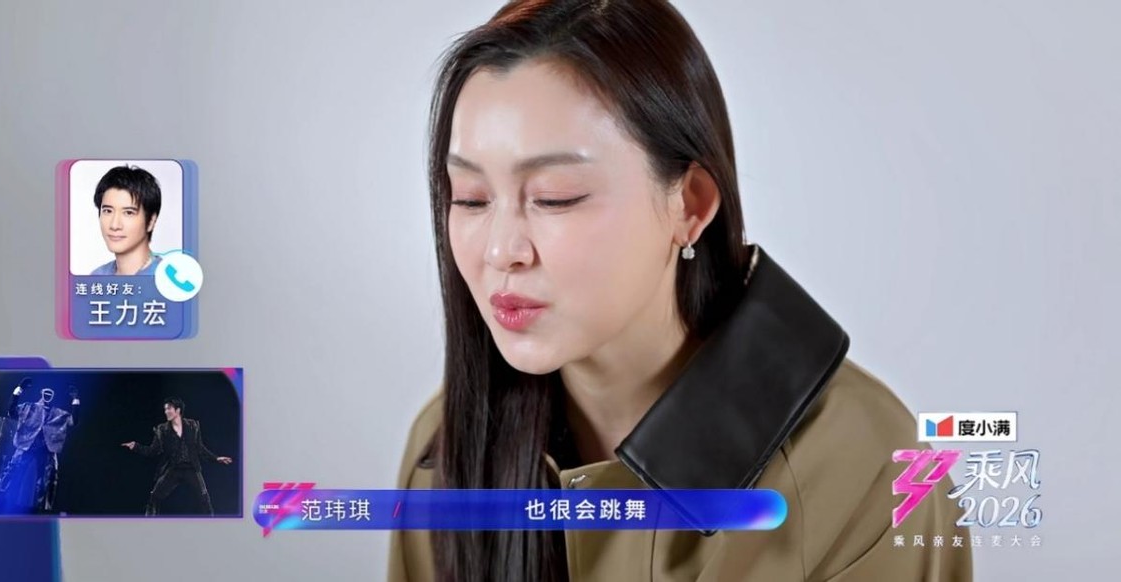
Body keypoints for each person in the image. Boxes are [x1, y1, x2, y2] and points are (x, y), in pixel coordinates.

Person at [388, 1, 972, 581]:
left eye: (554, 197)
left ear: (690, 205)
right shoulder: (447, 452)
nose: (500, 251)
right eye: (470, 198)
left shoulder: (867, 473)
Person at [121, 397, 233, 516]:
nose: (166, 412)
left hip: (191, 468)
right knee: (154, 497)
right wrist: (136, 446)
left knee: (204, 499)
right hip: (173, 468)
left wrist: (216, 458)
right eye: (165, 409)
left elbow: (200, 448)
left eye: (169, 409)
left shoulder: (193, 426)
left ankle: (211, 522)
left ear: (178, 410)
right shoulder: (162, 429)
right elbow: (153, 451)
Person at [0, 379, 79, 514]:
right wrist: (19, 390)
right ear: (41, 393)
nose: (48, 395)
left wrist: (75, 400)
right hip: (26, 445)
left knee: (49, 479)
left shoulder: (59, 413)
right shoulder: (29, 407)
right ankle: (1, 501)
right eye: (46, 392)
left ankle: (45, 510)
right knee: (12, 471)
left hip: (47, 449)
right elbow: (11, 412)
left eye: (50, 393)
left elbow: (73, 421)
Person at [90, 165, 162, 276]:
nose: (114, 225)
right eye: (108, 211)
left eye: (128, 213)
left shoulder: (166, 280)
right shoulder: (97, 276)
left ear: (151, 221)